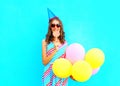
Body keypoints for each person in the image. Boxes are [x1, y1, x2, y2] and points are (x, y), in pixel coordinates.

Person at [42, 9, 68, 86]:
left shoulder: (65, 43)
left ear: (60, 27)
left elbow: (67, 61)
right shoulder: (45, 42)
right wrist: (55, 50)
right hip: (49, 73)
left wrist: (71, 74)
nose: (55, 27)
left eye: (58, 25)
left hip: (61, 73)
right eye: (53, 25)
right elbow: (44, 62)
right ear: (50, 27)